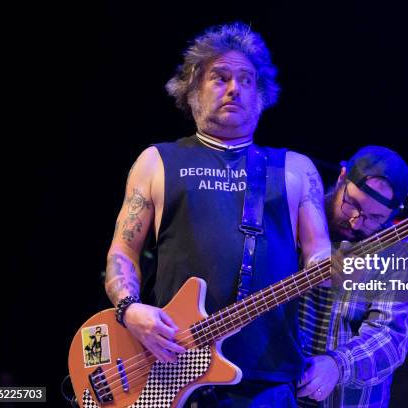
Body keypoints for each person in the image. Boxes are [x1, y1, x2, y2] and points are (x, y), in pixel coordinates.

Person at [103, 23, 331, 406]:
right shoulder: (157, 160)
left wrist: (339, 268)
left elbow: (319, 254)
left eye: (246, 79)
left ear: (260, 95)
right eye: (220, 77)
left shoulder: (295, 168)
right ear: (192, 90)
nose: (234, 88)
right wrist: (130, 310)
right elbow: (121, 253)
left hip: (268, 376)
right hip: (170, 369)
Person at [297, 146, 408, 408]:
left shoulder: (400, 252)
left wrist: (337, 365)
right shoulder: (298, 216)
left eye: (374, 217)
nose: (356, 221)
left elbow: (390, 337)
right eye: (351, 203)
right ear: (342, 177)